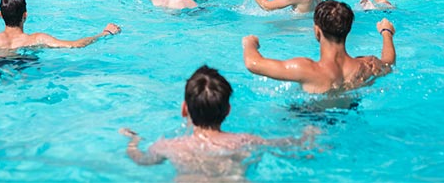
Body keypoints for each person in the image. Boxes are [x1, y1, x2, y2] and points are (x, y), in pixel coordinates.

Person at [119, 66, 317, 179]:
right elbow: (297, 148)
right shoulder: (246, 141)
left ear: (184, 109)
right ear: (228, 111)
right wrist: (311, 131)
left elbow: (141, 159)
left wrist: (134, 140)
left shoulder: (169, 146)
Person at [242, 0, 396, 94]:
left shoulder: (306, 69)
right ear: (348, 29)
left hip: (312, 119)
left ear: (317, 31)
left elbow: (253, 63)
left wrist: (250, 43)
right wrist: (386, 32)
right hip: (349, 115)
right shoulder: (367, 65)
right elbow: (389, 63)